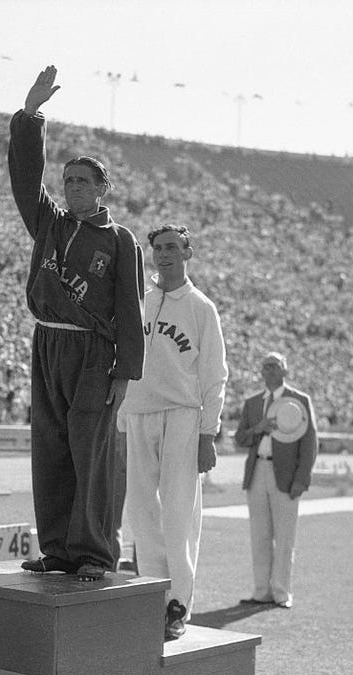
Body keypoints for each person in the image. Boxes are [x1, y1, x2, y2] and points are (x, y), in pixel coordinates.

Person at [8, 65, 145, 582]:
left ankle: (93, 552)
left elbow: (130, 310)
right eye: (66, 180)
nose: (71, 187)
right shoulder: (49, 222)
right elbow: (25, 181)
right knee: (50, 447)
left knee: (93, 454)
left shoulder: (120, 239)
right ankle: (58, 549)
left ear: (103, 187)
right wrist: (29, 115)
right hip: (46, 343)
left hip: (92, 352)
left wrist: (123, 372)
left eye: (82, 181)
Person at [118, 225, 228, 641]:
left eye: (171, 248)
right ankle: (153, 598)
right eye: (158, 248)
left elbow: (215, 376)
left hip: (182, 415)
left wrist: (208, 434)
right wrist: (122, 420)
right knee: (142, 512)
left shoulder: (201, 308)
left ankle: (178, 604)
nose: (163, 255)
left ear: (188, 252)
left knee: (179, 513)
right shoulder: (139, 303)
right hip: (141, 414)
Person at [234, 352, 317, 609]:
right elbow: (240, 438)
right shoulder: (253, 403)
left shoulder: (299, 401)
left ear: (285, 371)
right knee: (259, 535)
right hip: (257, 470)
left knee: (284, 537)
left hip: (286, 476)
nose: (268, 370)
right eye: (265, 366)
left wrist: (301, 480)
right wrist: (258, 429)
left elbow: (309, 444)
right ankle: (261, 592)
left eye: (274, 366)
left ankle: (282, 593)